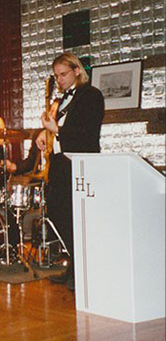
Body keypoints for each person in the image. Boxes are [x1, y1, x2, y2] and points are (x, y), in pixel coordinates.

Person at [35, 52, 104, 290]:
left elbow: (88, 133)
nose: (60, 79)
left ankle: (81, 268)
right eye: (56, 76)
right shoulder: (61, 100)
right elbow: (57, 129)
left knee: (78, 217)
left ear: (76, 71)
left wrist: (57, 130)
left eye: (63, 74)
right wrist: (43, 136)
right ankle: (76, 263)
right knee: (57, 213)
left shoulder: (91, 95)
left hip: (79, 163)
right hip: (60, 165)